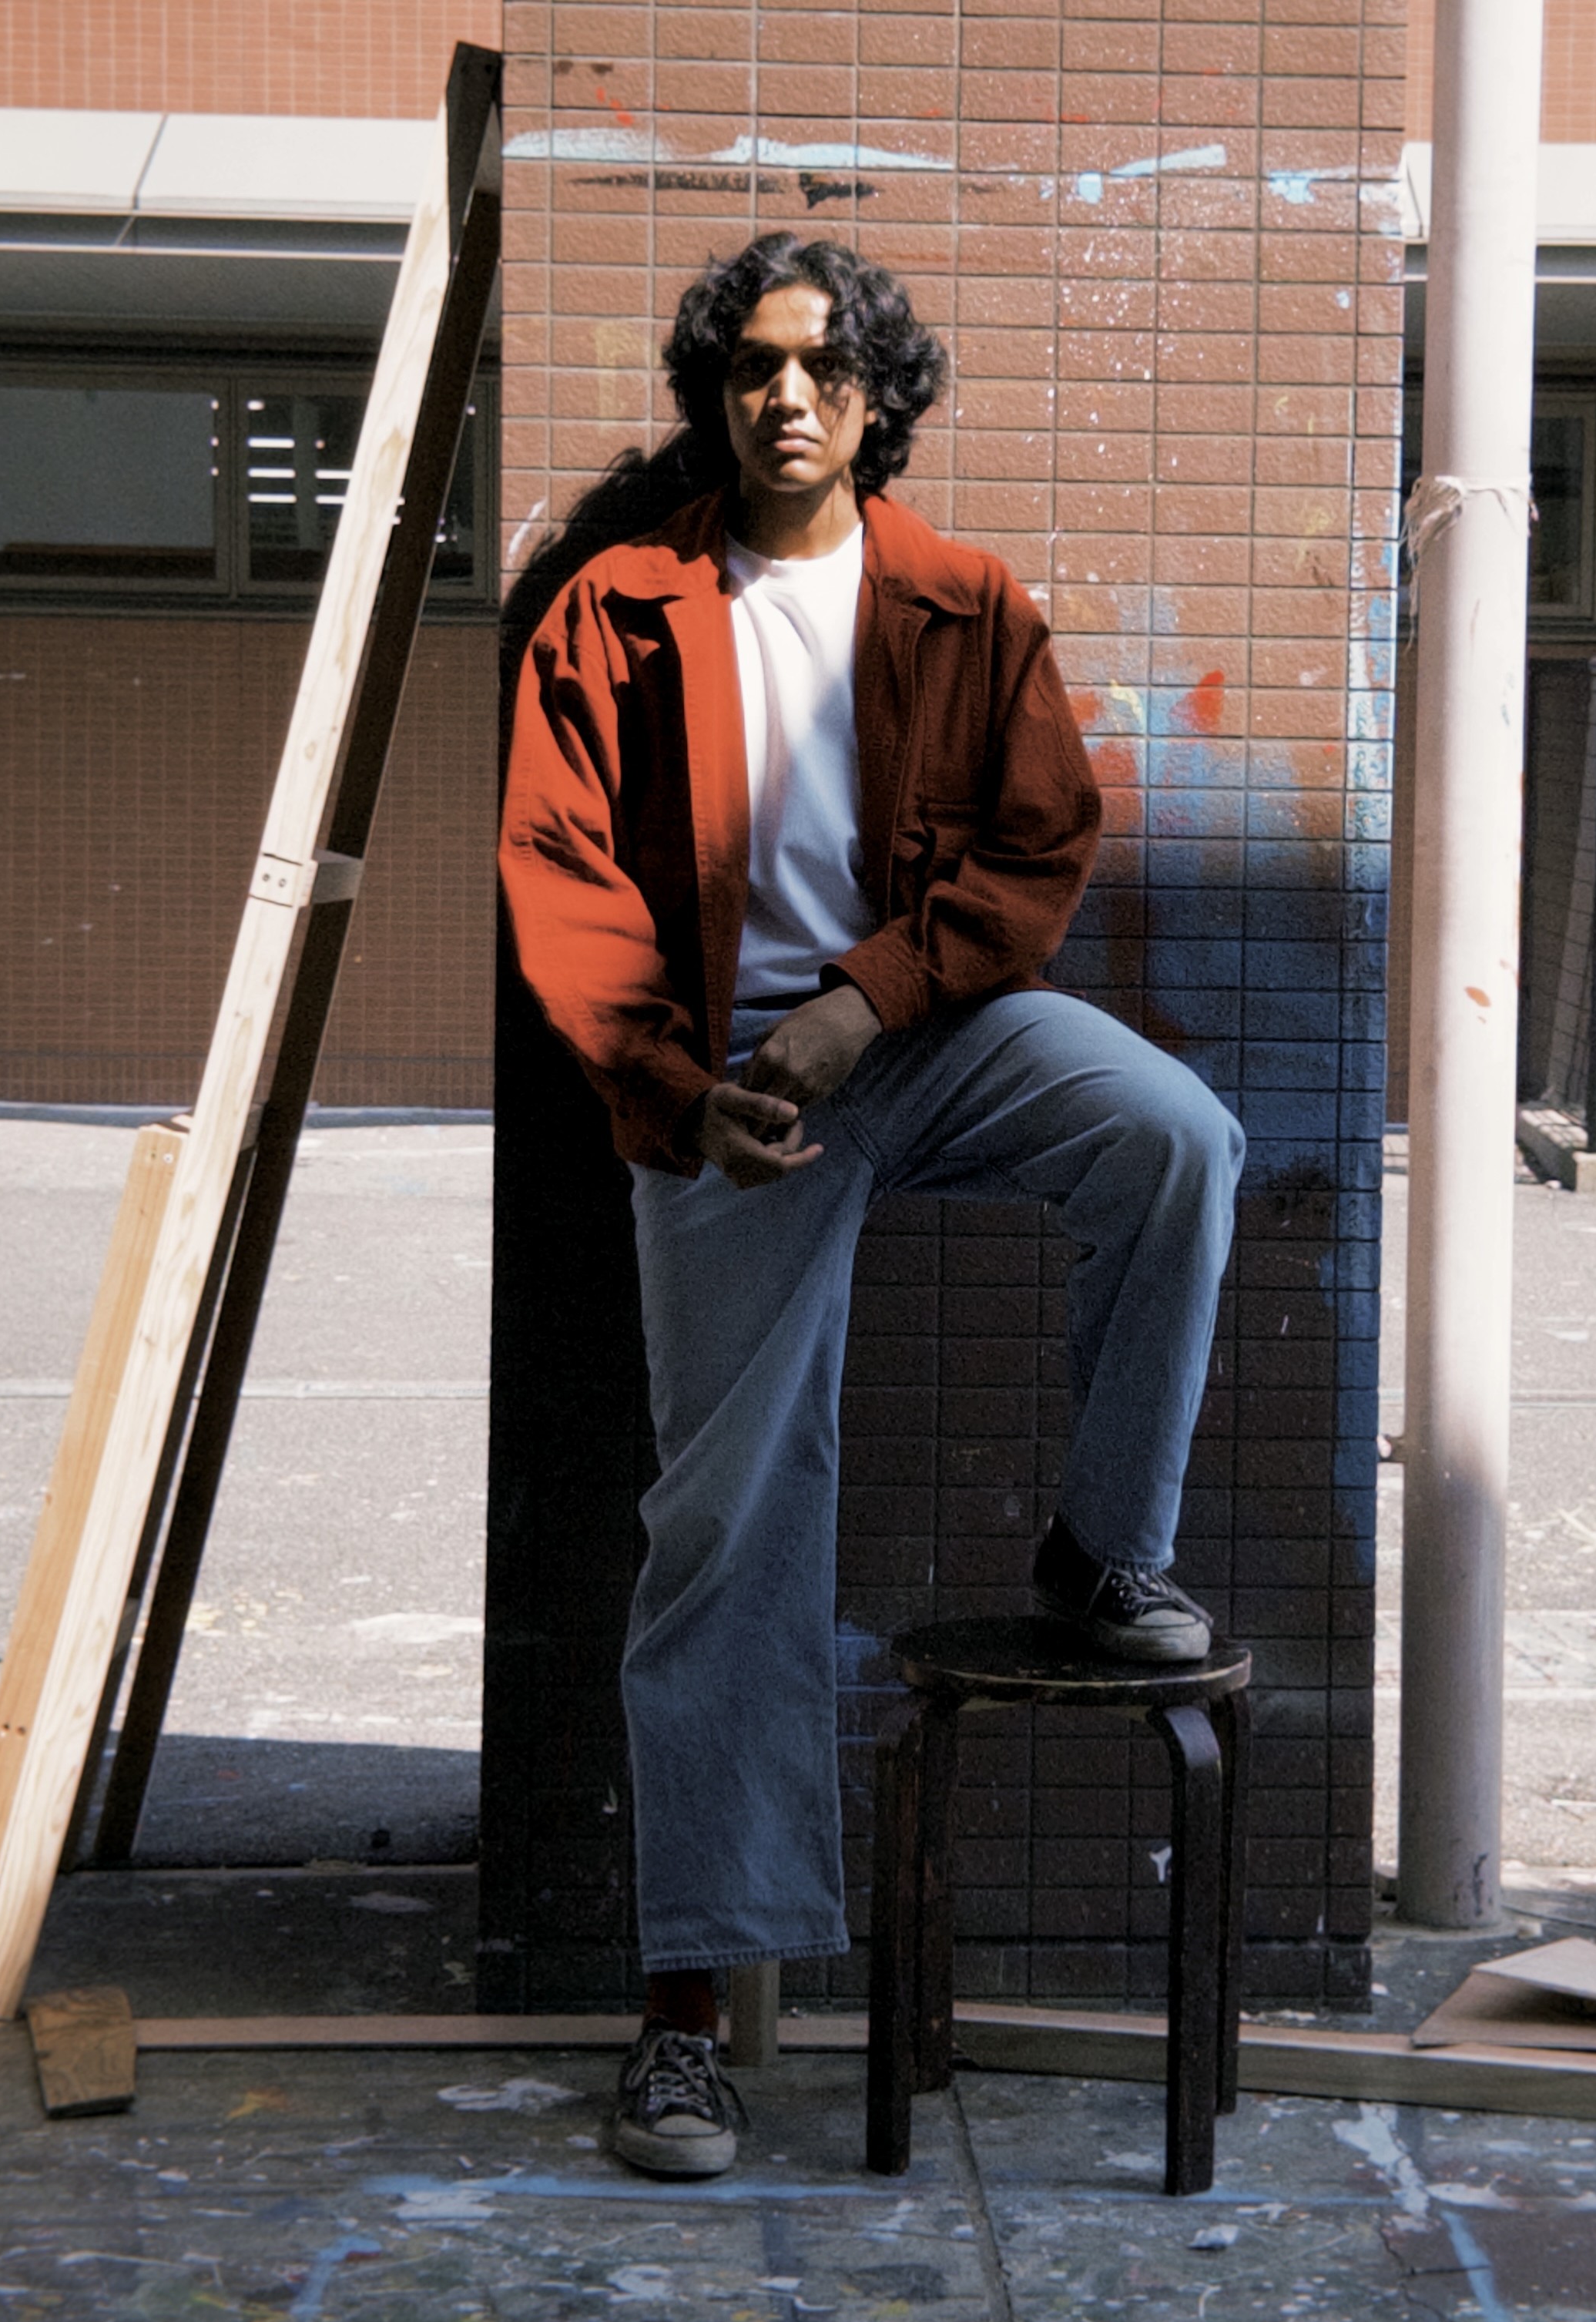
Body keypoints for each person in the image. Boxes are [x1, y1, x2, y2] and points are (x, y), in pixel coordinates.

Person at [500, 233, 1244, 2180]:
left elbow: (1038, 847)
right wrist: (680, 1086)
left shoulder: (961, 603)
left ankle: (1108, 1552)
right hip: (723, 1084)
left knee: (1175, 1134)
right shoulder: (618, 612)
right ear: (714, 389)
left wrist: (865, 1006)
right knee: (732, 1514)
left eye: (828, 368)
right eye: (753, 364)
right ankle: (684, 2011)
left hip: (917, 1031)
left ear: (880, 400)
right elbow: (562, 884)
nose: (788, 396)